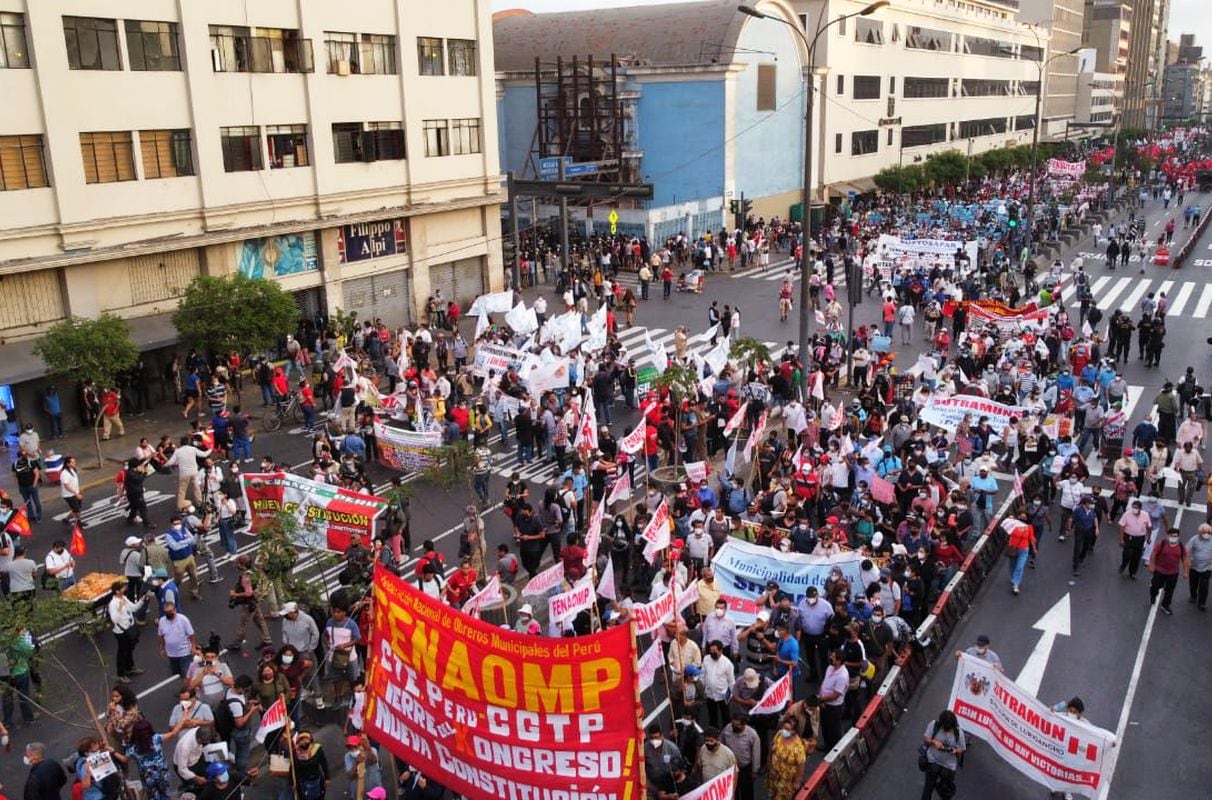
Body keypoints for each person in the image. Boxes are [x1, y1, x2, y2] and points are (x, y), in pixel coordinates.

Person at [228, 555, 272, 651]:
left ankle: (237, 644)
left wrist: (235, 594)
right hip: (255, 601)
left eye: (238, 564)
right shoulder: (254, 571)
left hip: (248, 603)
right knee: (260, 620)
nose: (237, 566)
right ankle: (267, 639)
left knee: (243, 624)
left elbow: (248, 593)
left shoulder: (246, 577)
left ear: (242, 565)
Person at [107, 579, 148, 682]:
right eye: (122, 587)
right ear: (117, 591)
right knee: (122, 652)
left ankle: (130, 667)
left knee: (129, 649)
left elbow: (134, 608)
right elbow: (115, 619)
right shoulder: (113, 604)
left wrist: (142, 600)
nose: (125, 588)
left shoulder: (124, 598)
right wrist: (120, 608)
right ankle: (120, 674)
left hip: (130, 628)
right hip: (122, 632)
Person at [920, 709, 965, 800]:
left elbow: (962, 749)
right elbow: (925, 739)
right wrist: (934, 742)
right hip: (933, 761)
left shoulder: (958, 733)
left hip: (948, 767)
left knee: (945, 792)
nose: (946, 730)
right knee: (928, 788)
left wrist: (955, 751)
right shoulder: (934, 725)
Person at [124, 719, 171, 800]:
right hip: (162, 774)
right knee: (165, 795)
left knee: (153, 797)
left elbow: (124, 760)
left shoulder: (133, 748)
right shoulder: (156, 739)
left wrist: (112, 751)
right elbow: (173, 734)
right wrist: (183, 720)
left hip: (148, 778)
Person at [1148, 527, 1188, 615]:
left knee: (1170, 590)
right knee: (1155, 585)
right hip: (1160, 570)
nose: (1174, 537)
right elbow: (1154, 554)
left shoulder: (1181, 546)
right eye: (1172, 536)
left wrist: (1185, 571)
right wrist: (1152, 565)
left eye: (1176, 536)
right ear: (1168, 535)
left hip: (1173, 572)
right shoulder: (1162, 544)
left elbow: (1184, 558)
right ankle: (1153, 594)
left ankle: (1165, 605)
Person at [766, 716, 808, 800]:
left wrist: (797, 781)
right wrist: (769, 761)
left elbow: (801, 764)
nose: (784, 731)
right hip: (774, 774)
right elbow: (772, 747)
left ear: (794, 731)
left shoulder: (797, 747)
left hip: (787, 779)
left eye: (787, 729)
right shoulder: (779, 734)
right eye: (784, 727)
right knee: (773, 794)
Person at [720, 714, 761, 800]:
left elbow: (756, 753)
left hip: (745, 768)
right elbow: (721, 741)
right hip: (731, 767)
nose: (734, 727)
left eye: (737, 725)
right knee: (733, 790)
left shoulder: (752, 734)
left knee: (746, 792)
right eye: (733, 725)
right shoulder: (727, 728)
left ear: (743, 724)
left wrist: (754, 771)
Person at [817, 649, 848, 749]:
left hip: (834, 707)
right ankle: (827, 745)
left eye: (833, 657)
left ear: (839, 661)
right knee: (825, 726)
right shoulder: (830, 667)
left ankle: (834, 749)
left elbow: (835, 695)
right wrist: (820, 694)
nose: (831, 658)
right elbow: (825, 681)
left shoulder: (842, 676)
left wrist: (821, 699)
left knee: (834, 729)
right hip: (824, 703)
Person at [156, 602, 196, 679]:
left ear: (175, 610)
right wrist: (162, 649)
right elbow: (161, 636)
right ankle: (185, 687)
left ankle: (189, 689)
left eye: (170, 612)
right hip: (171, 654)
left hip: (184, 652)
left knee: (187, 674)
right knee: (177, 674)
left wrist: (193, 647)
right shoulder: (162, 621)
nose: (169, 614)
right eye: (166, 612)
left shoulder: (183, 620)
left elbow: (191, 635)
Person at [291, 730, 331, 800]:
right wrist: (292, 782)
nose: (304, 741)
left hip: (317, 781)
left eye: (306, 739)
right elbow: (292, 768)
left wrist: (327, 778)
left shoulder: (317, 749)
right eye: (301, 740)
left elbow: (324, 763)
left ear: (310, 740)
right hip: (303, 784)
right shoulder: (295, 753)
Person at [1187, 523, 1212, 610]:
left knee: (1204, 586)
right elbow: (1187, 551)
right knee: (1193, 583)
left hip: (1207, 568)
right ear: (1200, 532)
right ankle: (1193, 596)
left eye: (1208, 532)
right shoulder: (1194, 540)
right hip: (1194, 567)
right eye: (1204, 532)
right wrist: (1188, 561)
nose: (1206, 534)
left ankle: (1202, 603)